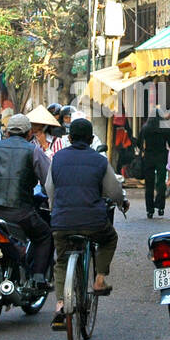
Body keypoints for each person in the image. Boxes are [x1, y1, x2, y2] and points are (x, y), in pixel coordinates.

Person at [47, 118, 127, 329]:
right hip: (94, 222)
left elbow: (49, 187)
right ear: (91, 139)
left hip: (62, 222)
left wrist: (55, 208)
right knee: (110, 238)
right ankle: (99, 278)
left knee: (61, 260)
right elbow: (114, 191)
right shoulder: (100, 160)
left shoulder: (58, 158)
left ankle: (60, 305)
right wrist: (122, 202)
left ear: (69, 138)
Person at [0, 113, 54, 289]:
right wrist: (50, 199)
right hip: (21, 212)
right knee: (44, 235)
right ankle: (38, 277)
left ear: (7, 133)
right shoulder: (34, 150)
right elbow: (48, 181)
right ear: (29, 134)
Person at [139, 106, 170, 218]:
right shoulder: (165, 127)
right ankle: (160, 206)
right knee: (161, 182)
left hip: (149, 156)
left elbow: (139, 142)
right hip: (162, 156)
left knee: (149, 184)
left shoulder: (145, 127)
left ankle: (150, 210)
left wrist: (143, 150)